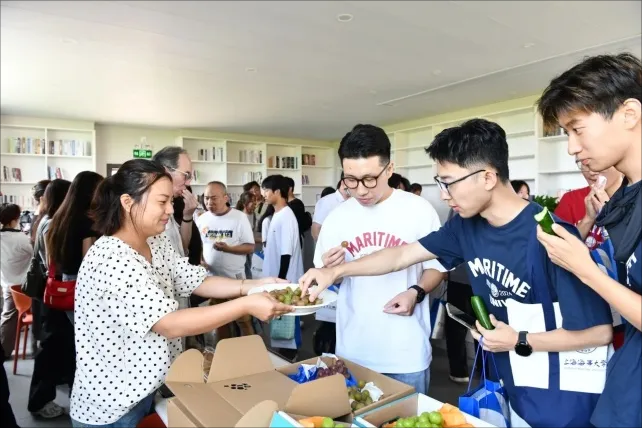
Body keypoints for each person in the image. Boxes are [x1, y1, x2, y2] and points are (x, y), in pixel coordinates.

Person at [301, 119, 613, 428]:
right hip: (516, 390)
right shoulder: (465, 227)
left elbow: (599, 333)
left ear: (488, 177)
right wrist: (337, 270)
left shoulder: (549, 234)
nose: (445, 196)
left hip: (566, 402)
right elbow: (401, 256)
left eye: (449, 182)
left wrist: (517, 340)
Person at [69, 159, 293, 428]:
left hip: (150, 388)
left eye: (170, 201)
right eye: (162, 202)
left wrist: (253, 285)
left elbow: (195, 280)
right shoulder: (111, 258)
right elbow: (169, 324)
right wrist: (246, 304)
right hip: (113, 403)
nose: (169, 210)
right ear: (128, 202)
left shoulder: (156, 240)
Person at [535, 52, 641, 428]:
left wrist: (585, 268)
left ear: (629, 113)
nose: (572, 148)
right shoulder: (626, 197)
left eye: (578, 129)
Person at [311, 124, 446, 395]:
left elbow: (437, 269)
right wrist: (328, 268)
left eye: (369, 178)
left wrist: (416, 292)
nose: (360, 190)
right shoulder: (337, 217)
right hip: (353, 351)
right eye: (350, 179)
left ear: (389, 169)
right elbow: (324, 281)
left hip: (405, 352)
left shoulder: (418, 210)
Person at [28, 178, 72, 419]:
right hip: (52, 293)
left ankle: (43, 398)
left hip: (47, 293)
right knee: (50, 350)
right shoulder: (52, 223)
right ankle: (39, 401)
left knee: (51, 348)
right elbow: (55, 261)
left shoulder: (43, 219)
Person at [197, 182, 256, 338]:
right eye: (207, 198)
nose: (209, 202)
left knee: (243, 321)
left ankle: (253, 353)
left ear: (225, 198)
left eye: (214, 198)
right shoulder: (202, 219)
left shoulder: (239, 218)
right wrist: (201, 260)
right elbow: (199, 245)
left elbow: (250, 247)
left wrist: (228, 249)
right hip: (212, 281)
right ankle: (224, 353)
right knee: (218, 321)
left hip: (235, 281)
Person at [46, 171, 104, 325]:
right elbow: (89, 262)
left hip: (65, 280)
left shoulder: (59, 217)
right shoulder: (86, 221)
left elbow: (49, 257)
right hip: (82, 285)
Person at [554, 165, 623, 249]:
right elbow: (559, 250)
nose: (591, 172)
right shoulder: (570, 199)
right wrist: (588, 218)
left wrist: (609, 216)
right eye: (585, 164)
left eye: (600, 163)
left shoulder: (636, 199)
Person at [151, 147, 199, 258]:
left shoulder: (170, 204)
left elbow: (180, 249)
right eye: (186, 175)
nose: (188, 182)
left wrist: (187, 216)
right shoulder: (148, 210)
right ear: (165, 171)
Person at [0, 203, 33, 357]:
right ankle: (34, 348)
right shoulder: (21, 238)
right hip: (25, 287)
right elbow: (34, 256)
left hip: (7, 284)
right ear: (16, 218)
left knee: (8, 317)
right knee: (37, 315)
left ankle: (4, 351)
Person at [261, 175, 303, 283]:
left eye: (266, 190)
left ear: (277, 192)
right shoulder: (277, 214)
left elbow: (286, 253)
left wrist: (280, 281)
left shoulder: (286, 216)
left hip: (284, 281)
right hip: (274, 278)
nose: (264, 194)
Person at [311, 174, 350, 241]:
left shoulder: (354, 201)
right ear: (343, 183)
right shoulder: (326, 202)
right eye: (353, 182)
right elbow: (315, 231)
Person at [284, 177, 311, 247]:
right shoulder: (284, 203)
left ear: (290, 189)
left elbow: (295, 224)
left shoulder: (297, 204)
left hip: (294, 240)